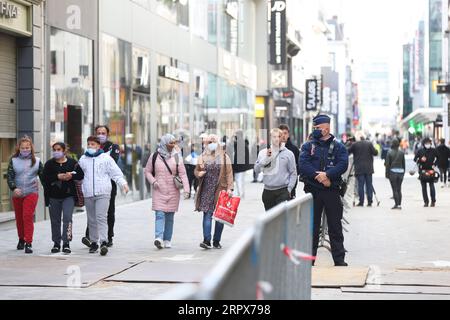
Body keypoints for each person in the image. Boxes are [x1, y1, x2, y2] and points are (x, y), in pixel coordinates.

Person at [299, 114, 349, 267]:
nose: (315, 130)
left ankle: (339, 260)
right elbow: (303, 164)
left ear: (326, 129)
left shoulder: (339, 146)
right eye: (314, 128)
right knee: (311, 227)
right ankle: (310, 260)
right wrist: (319, 176)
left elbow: (343, 164)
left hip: (331, 191)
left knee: (335, 226)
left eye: (318, 128)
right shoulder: (308, 146)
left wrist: (328, 175)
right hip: (313, 191)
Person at [78, 136, 129, 256]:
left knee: (101, 217)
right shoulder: (83, 159)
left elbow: (115, 173)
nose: (90, 146)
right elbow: (79, 174)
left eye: (93, 144)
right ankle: (94, 242)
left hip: (103, 192)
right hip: (88, 192)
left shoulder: (106, 158)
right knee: (91, 219)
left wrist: (123, 184)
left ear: (98, 146)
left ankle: (104, 242)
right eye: (89, 144)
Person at [144, 134, 190, 249]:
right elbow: (148, 171)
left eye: (174, 143)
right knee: (159, 214)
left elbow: (183, 174)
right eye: (170, 143)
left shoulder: (177, 156)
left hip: (173, 190)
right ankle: (158, 238)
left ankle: (167, 239)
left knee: (170, 216)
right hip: (158, 189)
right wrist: (153, 182)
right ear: (164, 143)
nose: (172, 145)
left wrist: (187, 189)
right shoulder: (154, 156)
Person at [82, 125, 121, 249]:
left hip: (108, 185)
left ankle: (108, 237)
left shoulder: (113, 147)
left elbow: (113, 162)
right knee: (92, 214)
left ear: (107, 134)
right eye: (98, 132)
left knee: (107, 212)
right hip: (92, 187)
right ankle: (90, 237)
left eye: (103, 133)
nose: (101, 135)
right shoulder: (89, 150)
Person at [43, 142, 84, 254]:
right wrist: (57, 176)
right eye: (54, 150)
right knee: (55, 220)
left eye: (59, 149)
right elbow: (45, 178)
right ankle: (56, 243)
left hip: (68, 196)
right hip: (53, 197)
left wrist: (71, 175)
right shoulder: (49, 164)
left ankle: (66, 243)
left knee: (67, 218)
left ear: (64, 150)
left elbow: (80, 175)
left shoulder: (72, 163)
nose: (56, 152)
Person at [194, 134, 234, 250]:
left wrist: (229, 188)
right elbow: (196, 170)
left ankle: (216, 240)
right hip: (206, 190)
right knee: (207, 214)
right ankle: (206, 240)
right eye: (209, 142)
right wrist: (198, 173)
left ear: (218, 143)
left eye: (213, 141)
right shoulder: (202, 156)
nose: (211, 143)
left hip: (220, 190)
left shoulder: (224, 157)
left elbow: (229, 174)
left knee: (219, 216)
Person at [7, 136, 44, 254]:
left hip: (31, 192)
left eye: (27, 147)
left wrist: (48, 188)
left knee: (27, 216)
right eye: (23, 148)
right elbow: (9, 176)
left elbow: (43, 177)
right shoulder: (13, 160)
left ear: (31, 148)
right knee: (19, 218)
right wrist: (14, 188)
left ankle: (29, 242)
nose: (25, 150)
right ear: (19, 148)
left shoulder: (37, 161)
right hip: (18, 193)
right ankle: (21, 239)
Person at [254, 128, 297, 211]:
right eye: (274, 136)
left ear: (282, 138)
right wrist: (266, 158)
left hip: (283, 191)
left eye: (279, 136)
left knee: (281, 219)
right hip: (268, 191)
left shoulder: (289, 154)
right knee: (270, 221)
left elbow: (293, 173)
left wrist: (289, 189)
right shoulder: (263, 153)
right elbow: (256, 170)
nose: (276, 139)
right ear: (270, 137)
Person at [348, 135, 378, 207]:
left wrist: (349, 143)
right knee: (369, 185)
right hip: (369, 168)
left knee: (360, 186)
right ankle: (370, 202)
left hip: (359, 168)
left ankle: (361, 202)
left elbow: (347, 151)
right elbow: (375, 153)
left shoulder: (355, 145)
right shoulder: (369, 143)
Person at [414, 138, 438, 207]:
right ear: (424, 144)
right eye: (426, 143)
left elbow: (438, 158)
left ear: (431, 143)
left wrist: (435, 164)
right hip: (422, 170)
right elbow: (415, 159)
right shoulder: (420, 151)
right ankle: (426, 202)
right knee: (423, 187)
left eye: (429, 143)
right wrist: (420, 160)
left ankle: (433, 201)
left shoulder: (434, 150)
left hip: (431, 170)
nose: (428, 144)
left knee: (431, 186)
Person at [279, 124, 300, 198]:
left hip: (291, 183)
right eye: (281, 133)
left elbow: (299, 165)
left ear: (288, 135)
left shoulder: (294, 149)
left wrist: (292, 174)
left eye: (285, 133)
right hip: (277, 185)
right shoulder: (274, 149)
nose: (283, 136)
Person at [384, 139, 405, 210]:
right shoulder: (402, 152)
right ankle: (399, 204)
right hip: (401, 172)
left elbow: (387, 165)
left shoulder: (389, 152)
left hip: (393, 173)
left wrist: (387, 174)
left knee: (395, 189)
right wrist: (403, 173)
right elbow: (403, 164)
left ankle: (396, 204)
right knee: (399, 189)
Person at [231, 131, 253, 199]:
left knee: (238, 179)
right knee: (241, 180)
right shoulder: (243, 142)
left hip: (239, 166)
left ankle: (240, 193)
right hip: (242, 165)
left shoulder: (239, 143)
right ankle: (241, 193)